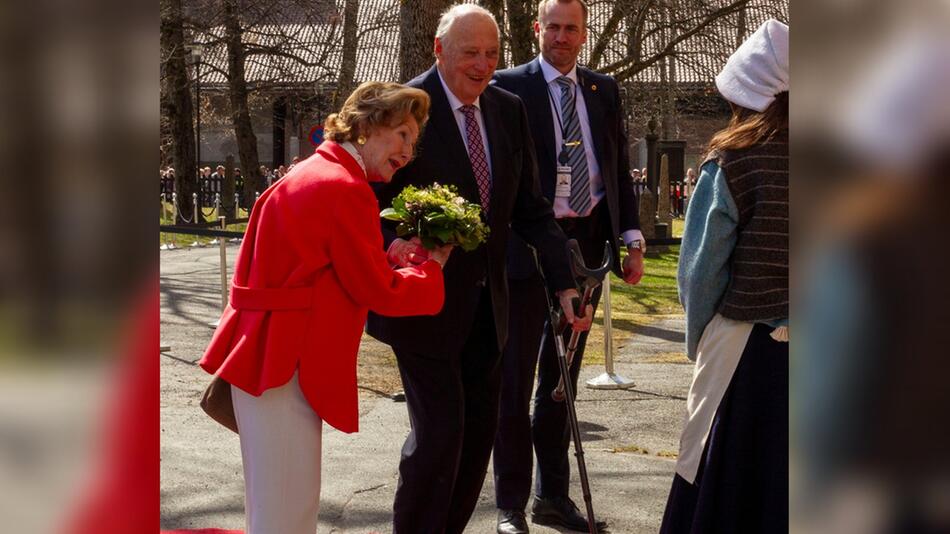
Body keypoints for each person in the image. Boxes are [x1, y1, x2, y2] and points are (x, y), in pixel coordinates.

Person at [365, 5, 592, 533]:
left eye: (491, 54)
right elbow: (366, 201)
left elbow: (531, 209)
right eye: (470, 52)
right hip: (422, 306)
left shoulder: (508, 110)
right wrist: (393, 244)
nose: (483, 65)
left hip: (491, 311)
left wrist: (564, 283)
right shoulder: (403, 109)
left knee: (475, 439)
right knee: (439, 436)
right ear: (439, 49)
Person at [198, 81, 454, 534]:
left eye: (413, 141)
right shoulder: (346, 188)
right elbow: (379, 293)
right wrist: (431, 268)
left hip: (266, 356)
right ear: (368, 127)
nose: (408, 152)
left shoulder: (315, 171)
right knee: (287, 516)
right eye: (403, 136)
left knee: (276, 508)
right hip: (287, 363)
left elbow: (315, 263)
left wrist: (388, 254)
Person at [490, 1, 643, 532]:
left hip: (587, 248)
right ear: (537, 29)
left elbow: (617, 166)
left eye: (571, 27)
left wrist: (631, 238)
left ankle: (551, 496)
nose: (561, 35)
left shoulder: (603, 90)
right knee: (513, 379)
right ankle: (510, 504)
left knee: (562, 382)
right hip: (527, 248)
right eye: (552, 26)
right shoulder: (507, 86)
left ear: (583, 33)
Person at [659, 19, 788, 533]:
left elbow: (701, 270)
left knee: (731, 488)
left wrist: (701, 343)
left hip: (747, 355)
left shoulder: (733, 160)